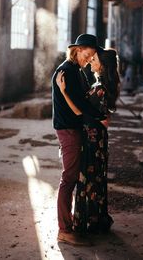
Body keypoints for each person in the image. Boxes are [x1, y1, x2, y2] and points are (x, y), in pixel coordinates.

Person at [56, 48, 121, 235]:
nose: (91, 61)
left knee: (89, 180)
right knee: (96, 180)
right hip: (98, 138)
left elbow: (79, 112)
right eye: (91, 57)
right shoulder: (101, 85)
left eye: (95, 59)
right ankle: (96, 221)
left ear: (103, 65)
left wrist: (64, 91)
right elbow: (101, 115)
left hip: (92, 139)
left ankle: (88, 223)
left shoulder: (99, 88)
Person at [52, 33, 106, 246]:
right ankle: (64, 230)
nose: (90, 58)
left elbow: (84, 101)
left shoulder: (76, 71)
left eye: (93, 56)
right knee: (69, 179)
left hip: (73, 129)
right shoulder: (67, 71)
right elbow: (79, 109)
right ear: (77, 50)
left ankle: (71, 224)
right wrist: (100, 117)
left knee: (73, 177)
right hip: (69, 130)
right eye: (88, 54)